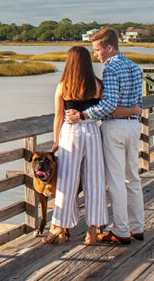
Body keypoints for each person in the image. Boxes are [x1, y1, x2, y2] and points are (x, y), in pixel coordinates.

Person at [65, 27, 144, 244]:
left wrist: (82, 115)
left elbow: (109, 105)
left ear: (110, 48)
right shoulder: (136, 68)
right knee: (133, 178)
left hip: (115, 128)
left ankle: (120, 229)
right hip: (134, 127)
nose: (97, 55)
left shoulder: (110, 68)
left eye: (98, 50)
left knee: (116, 180)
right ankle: (137, 227)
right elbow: (139, 105)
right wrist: (133, 112)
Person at [44, 46, 107, 244]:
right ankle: (93, 229)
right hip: (92, 132)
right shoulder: (97, 85)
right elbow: (103, 111)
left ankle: (60, 228)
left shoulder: (64, 85)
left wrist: (56, 141)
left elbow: (59, 116)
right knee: (94, 181)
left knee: (67, 182)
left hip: (70, 134)